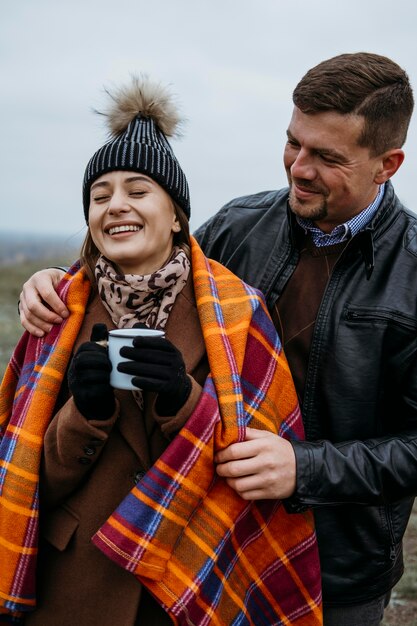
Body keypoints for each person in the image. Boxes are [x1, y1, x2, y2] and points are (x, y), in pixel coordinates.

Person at [18, 52, 417, 626]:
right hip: (209, 545)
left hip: (337, 567)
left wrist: (306, 469)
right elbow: (145, 270)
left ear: (388, 163)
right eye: (292, 143)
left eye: (327, 157)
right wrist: (58, 283)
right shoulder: (237, 225)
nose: (298, 168)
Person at [0, 76, 322, 625]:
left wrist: (183, 400)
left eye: (137, 190)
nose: (116, 206)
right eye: (100, 196)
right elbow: (25, 481)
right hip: (76, 587)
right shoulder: (54, 310)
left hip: (191, 577)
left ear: (176, 214)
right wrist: (85, 416)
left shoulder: (239, 312)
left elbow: (259, 471)